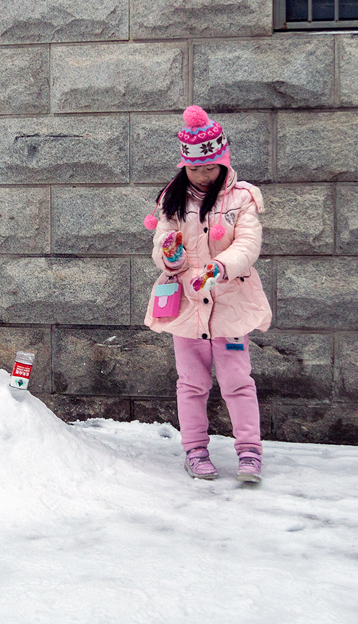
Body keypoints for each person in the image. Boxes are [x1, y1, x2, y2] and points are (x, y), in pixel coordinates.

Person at [143, 105, 272, 483]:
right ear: (185, 167)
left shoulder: (242, 199)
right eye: (195, 168)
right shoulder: (174, 199)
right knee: (192, 383)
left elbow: (249, 243)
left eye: (209, 167)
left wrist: (222, 266)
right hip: (186, 304)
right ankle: (195, 449)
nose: (202, 175)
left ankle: (249, 451)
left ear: (222, 162)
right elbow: (161, 245)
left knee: (237, 381)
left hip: (229, 301)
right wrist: (170, 256)